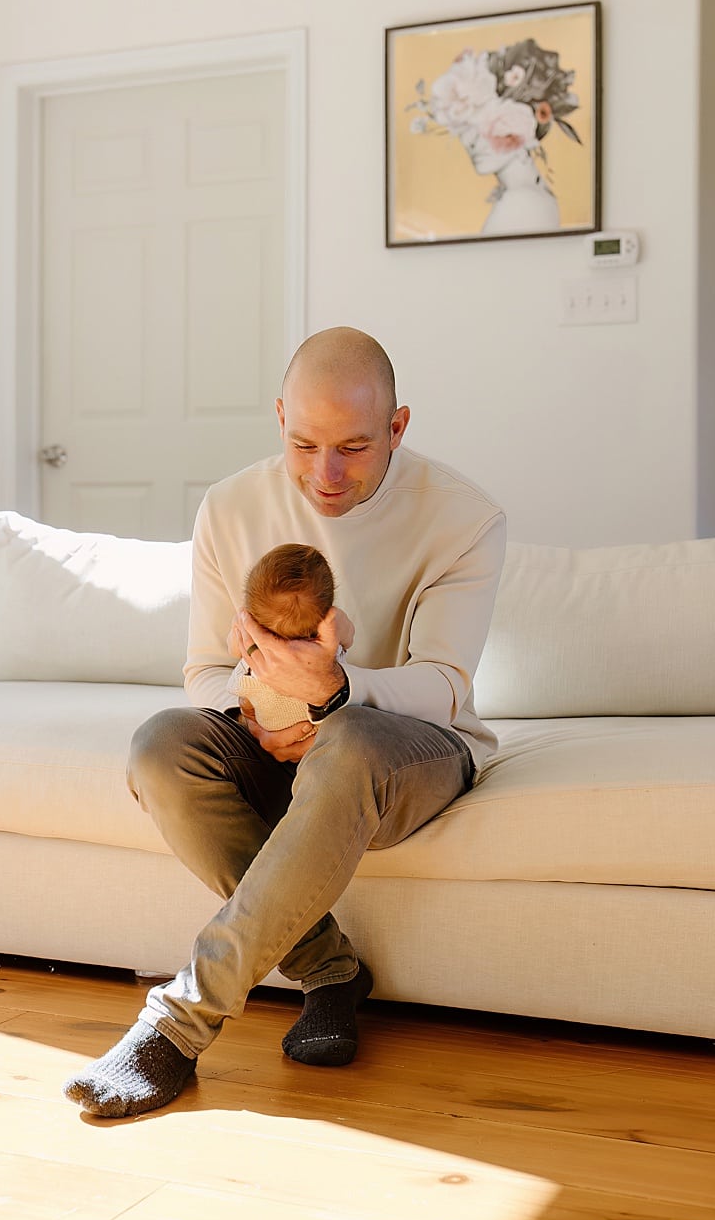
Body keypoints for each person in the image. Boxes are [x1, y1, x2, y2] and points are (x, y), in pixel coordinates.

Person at [63, 326, 507, 1118]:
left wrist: (335, 693)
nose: (325, 474)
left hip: (408, 751)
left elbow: (443, 686)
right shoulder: (230, 507)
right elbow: (202, 674)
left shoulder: (464, 518)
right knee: (162, 744)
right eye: (303, 444)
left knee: (350, 741)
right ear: (277, 419)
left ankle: (177, 1025)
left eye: (355, 448)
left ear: (398, 428)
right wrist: (257, 699)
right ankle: (331, 970)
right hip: (277, 736)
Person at [227, 543, 353, 734]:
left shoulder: (250, 635)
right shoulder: (330, 634)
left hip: (266, 720)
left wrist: (240, 625)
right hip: (316, 727)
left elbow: (233, 649)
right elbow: (349, 638)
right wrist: (334, 620)